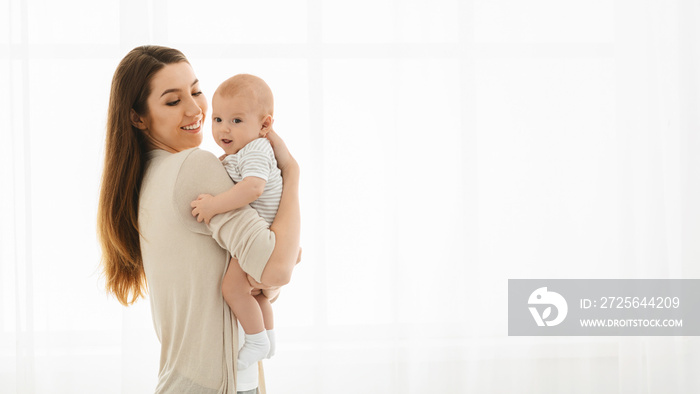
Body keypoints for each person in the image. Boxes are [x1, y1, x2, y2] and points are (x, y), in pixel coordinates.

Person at [97, 45, 300, 394]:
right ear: (138, 117)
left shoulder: (147, 177)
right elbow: (276, 270)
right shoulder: (195, 167)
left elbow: (254, 281)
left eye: (196, 91)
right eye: (173, 101)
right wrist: (292, 173)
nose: (196, 109)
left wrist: (267, 278)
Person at [190, 74, 283, 371]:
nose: (223, 129)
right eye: (217, 119)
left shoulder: (255, 150)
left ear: (264, 125)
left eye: (236, 121)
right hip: (266, 235)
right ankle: (267, 337)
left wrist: (214, 205)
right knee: (254, 293)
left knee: (232, 288)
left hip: (262, 235)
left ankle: (256, 341)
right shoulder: (243, 152)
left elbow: (253, 188)